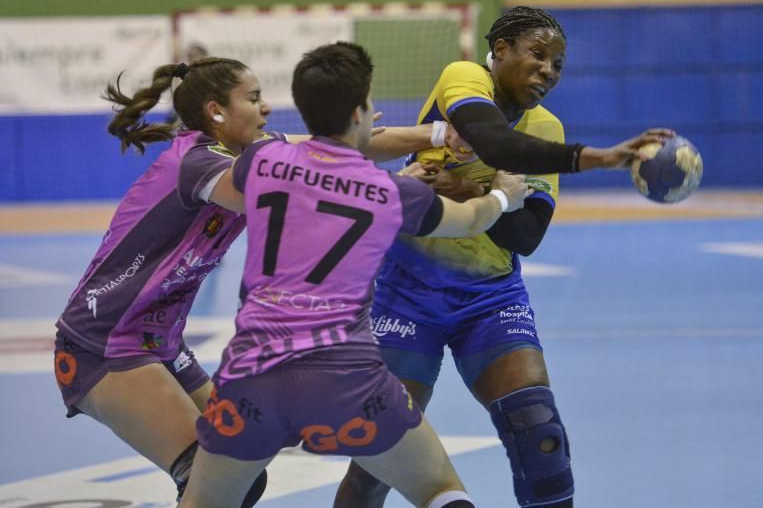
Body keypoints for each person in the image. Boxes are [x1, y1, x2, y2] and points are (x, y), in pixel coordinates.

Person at [52, 56, 469, 505]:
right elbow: (310, 189)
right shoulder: (197, 162)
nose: (266, 108)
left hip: (158, 341)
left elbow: (340, 148)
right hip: (103, 343)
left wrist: (443, 135)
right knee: (209, 478)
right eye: (253, 99)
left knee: (252, 450)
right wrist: (389, 191)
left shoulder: (252, 154)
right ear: (216, 112)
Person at [335, 7, 674, 508]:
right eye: (537, 55)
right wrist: (586, 160)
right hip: (406, 290)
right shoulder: (464, 77)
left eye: (557, 65)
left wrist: (469, 187)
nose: (548, 72)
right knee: (379, 456)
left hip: (489, 296)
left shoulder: (548, 128)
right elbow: (491, 138)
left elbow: (526, 234)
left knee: (540, 433)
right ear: (499, 51)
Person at [177, 41, 533, 508]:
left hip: (252, 376)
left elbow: (307, 182)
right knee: (439, 490)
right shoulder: (390, 193)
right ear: (363, 110)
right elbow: (471, 219)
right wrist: (503, 195)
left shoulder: (259, 163)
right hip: (347, 379)